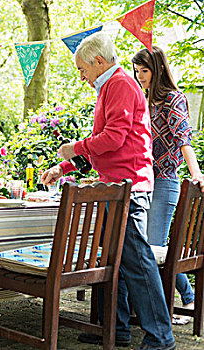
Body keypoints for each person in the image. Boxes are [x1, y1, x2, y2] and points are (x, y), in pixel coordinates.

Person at [41, 33, 176, 350]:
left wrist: (72, 149)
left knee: (136, 263)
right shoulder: (112, 87)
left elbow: (112, 139)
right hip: (116, 186)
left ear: (98, 62)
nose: (81, 76)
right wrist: (65, 167)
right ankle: (116, 329)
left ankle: (161, 337)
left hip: (128, 186)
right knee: (112, 261)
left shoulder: (118, 85)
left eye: (82, 69)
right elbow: (103, 146)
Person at [132, 46, 204, 324]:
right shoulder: (142, 99)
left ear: (158, 69)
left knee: (156, 249)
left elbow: (184, 138)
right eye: (137, 71)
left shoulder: (174, 99)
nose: (140, 77)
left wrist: (196, 172)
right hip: (142, 182)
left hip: (165, 182)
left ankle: (173, 308)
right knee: (150, 249)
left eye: (145, 71)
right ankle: (178, 302)